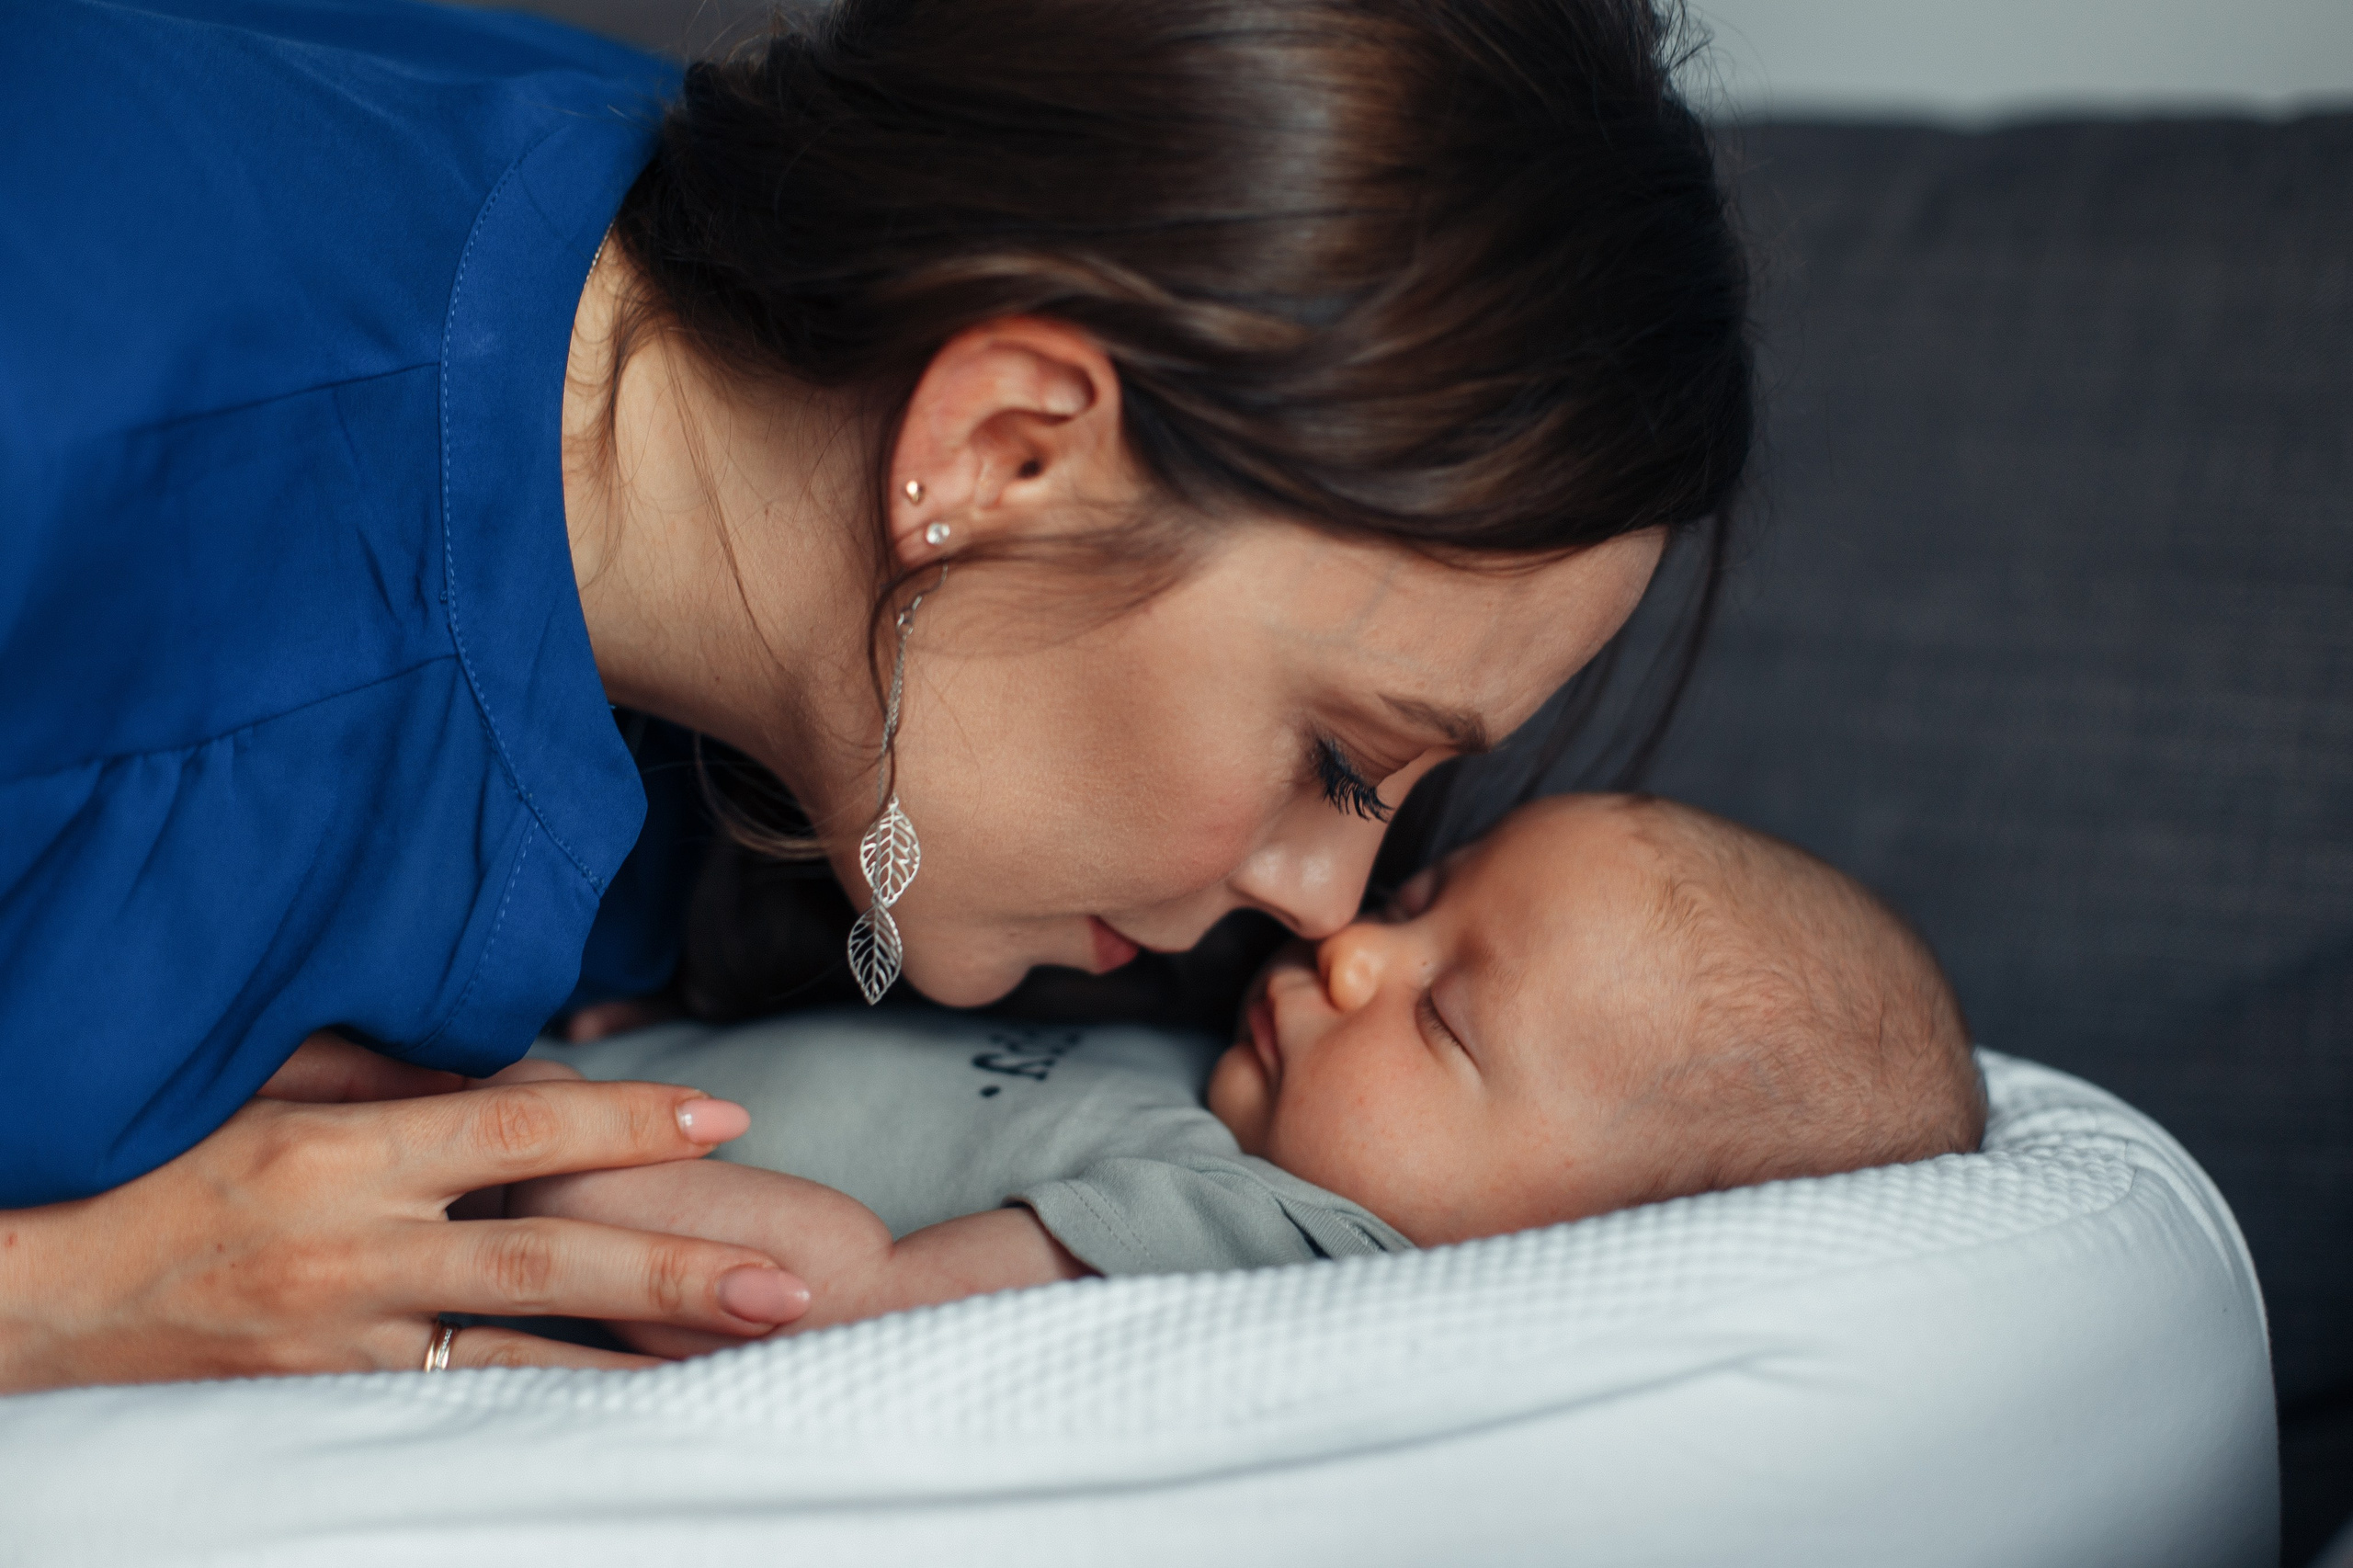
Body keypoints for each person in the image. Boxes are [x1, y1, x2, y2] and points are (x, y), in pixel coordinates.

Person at [0, 0, 1751, 1387]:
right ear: (1001, 451)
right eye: (1338, 760)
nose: (1316, 904)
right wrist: (60, 1298)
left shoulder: (750, 671)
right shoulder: (81, 388)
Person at [512, 795, 1984, 1350]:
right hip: (586, 1062)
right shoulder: (1233, 1074)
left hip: (536, 1185)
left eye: (1444, 1019)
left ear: (1572, 1248)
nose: (1351, 951)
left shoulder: (1276, 1241)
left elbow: (861, 1305)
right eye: (1418, 911)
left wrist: (565, 1148)